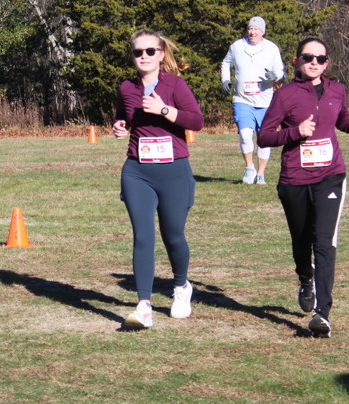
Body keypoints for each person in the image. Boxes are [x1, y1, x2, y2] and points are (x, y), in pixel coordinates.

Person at [257, 38, 349, 338]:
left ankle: (322, 314)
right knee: (301, 239)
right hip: (294, 179)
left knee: (324, 241)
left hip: (330, 176)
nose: (314, 63)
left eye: (320, 59)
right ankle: (304, 277)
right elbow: (265, 136)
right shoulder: (285, 95)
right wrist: (296, 132)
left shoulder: (337, 90)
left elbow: (342, 119)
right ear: (297, 61)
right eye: (308, 57)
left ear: (326, 63)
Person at [112, 30, 205, 329]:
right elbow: (123, 116)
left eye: (150, 51)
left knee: (173, 236)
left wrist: (164, 110)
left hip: (173, 171)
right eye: (138, 52)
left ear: (161, 54)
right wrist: (119, 125)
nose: (144, 56)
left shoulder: (175, 85)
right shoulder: (126, 87)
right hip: (137, 171)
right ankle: (144, 306)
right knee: (143, 236)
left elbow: (197, 121)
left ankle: (181, 286)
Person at [221, 16, 284, 184]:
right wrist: (225, 79)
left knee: (264, 138)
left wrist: (274, 76)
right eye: (250, 28)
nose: (252, 32)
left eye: (256, 29)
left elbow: (280, 71)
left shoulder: (271, 48)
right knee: (245, 134)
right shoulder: (237, 46)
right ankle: (249, 168)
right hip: (242, 99)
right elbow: (226, 63)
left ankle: (261, 174)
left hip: (265, 101)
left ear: (262, 32)